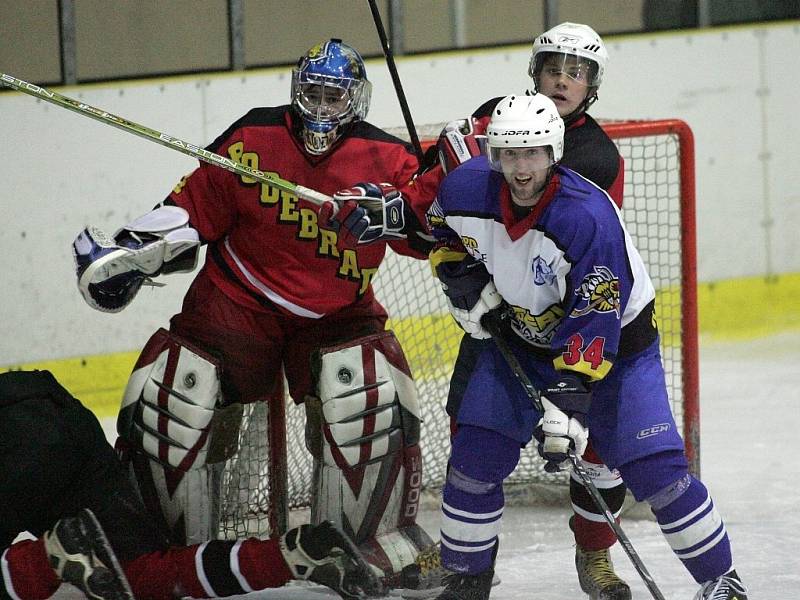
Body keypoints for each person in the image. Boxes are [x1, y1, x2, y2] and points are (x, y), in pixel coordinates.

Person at [70, 38, 436, 588]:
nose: (320, 107)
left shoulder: (387, 158)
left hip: (336, 313)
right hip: (236, 299)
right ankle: (167, 554)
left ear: (355, 101)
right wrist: (134, 251)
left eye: (334, 97)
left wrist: (403, 215)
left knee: (366, 388)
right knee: (175, 390)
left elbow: (435, 229)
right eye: (311, 92)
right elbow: (192, 207)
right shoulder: (253, 135)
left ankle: (361, 545)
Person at [333, 23, 630, 600]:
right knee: (472, 434)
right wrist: (408, 215)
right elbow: (446, 205)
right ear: (534, 73)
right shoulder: (497, 116)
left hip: (574, 325)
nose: (562, 80)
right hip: (499, 319)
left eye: (576, 72)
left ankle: (595, 555)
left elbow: (563, 246)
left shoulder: (595, 157)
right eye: (552, 68)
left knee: (598, 457)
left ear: (593, 85)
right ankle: (466, 563)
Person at [422, 93, 748, 600]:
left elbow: (597, 317)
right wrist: (461, 275)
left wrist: (568, 401)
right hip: (521, 338)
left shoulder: (587, 217)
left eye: (532, 154)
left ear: (554, 153)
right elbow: (440, 227)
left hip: (616, 348)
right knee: (474, 458)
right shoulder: (466, 188)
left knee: (657, 472)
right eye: (510, 154)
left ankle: (721, 580)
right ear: (494, 156)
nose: (521, 168)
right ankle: (466, 581)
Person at [0, 369, 381, 600]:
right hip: (51, 410)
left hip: (13, 436)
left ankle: (49, 555)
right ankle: (293, 556)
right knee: (143, 576)